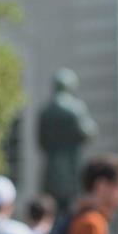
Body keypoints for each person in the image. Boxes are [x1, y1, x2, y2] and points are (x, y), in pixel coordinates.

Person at [38, 68, 98, 213]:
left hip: (52, 165)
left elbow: (41, 141)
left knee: (52, 204)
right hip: (71, 164)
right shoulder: (75, 108)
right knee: (70, 203)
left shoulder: (46, 111)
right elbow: (87, 132)